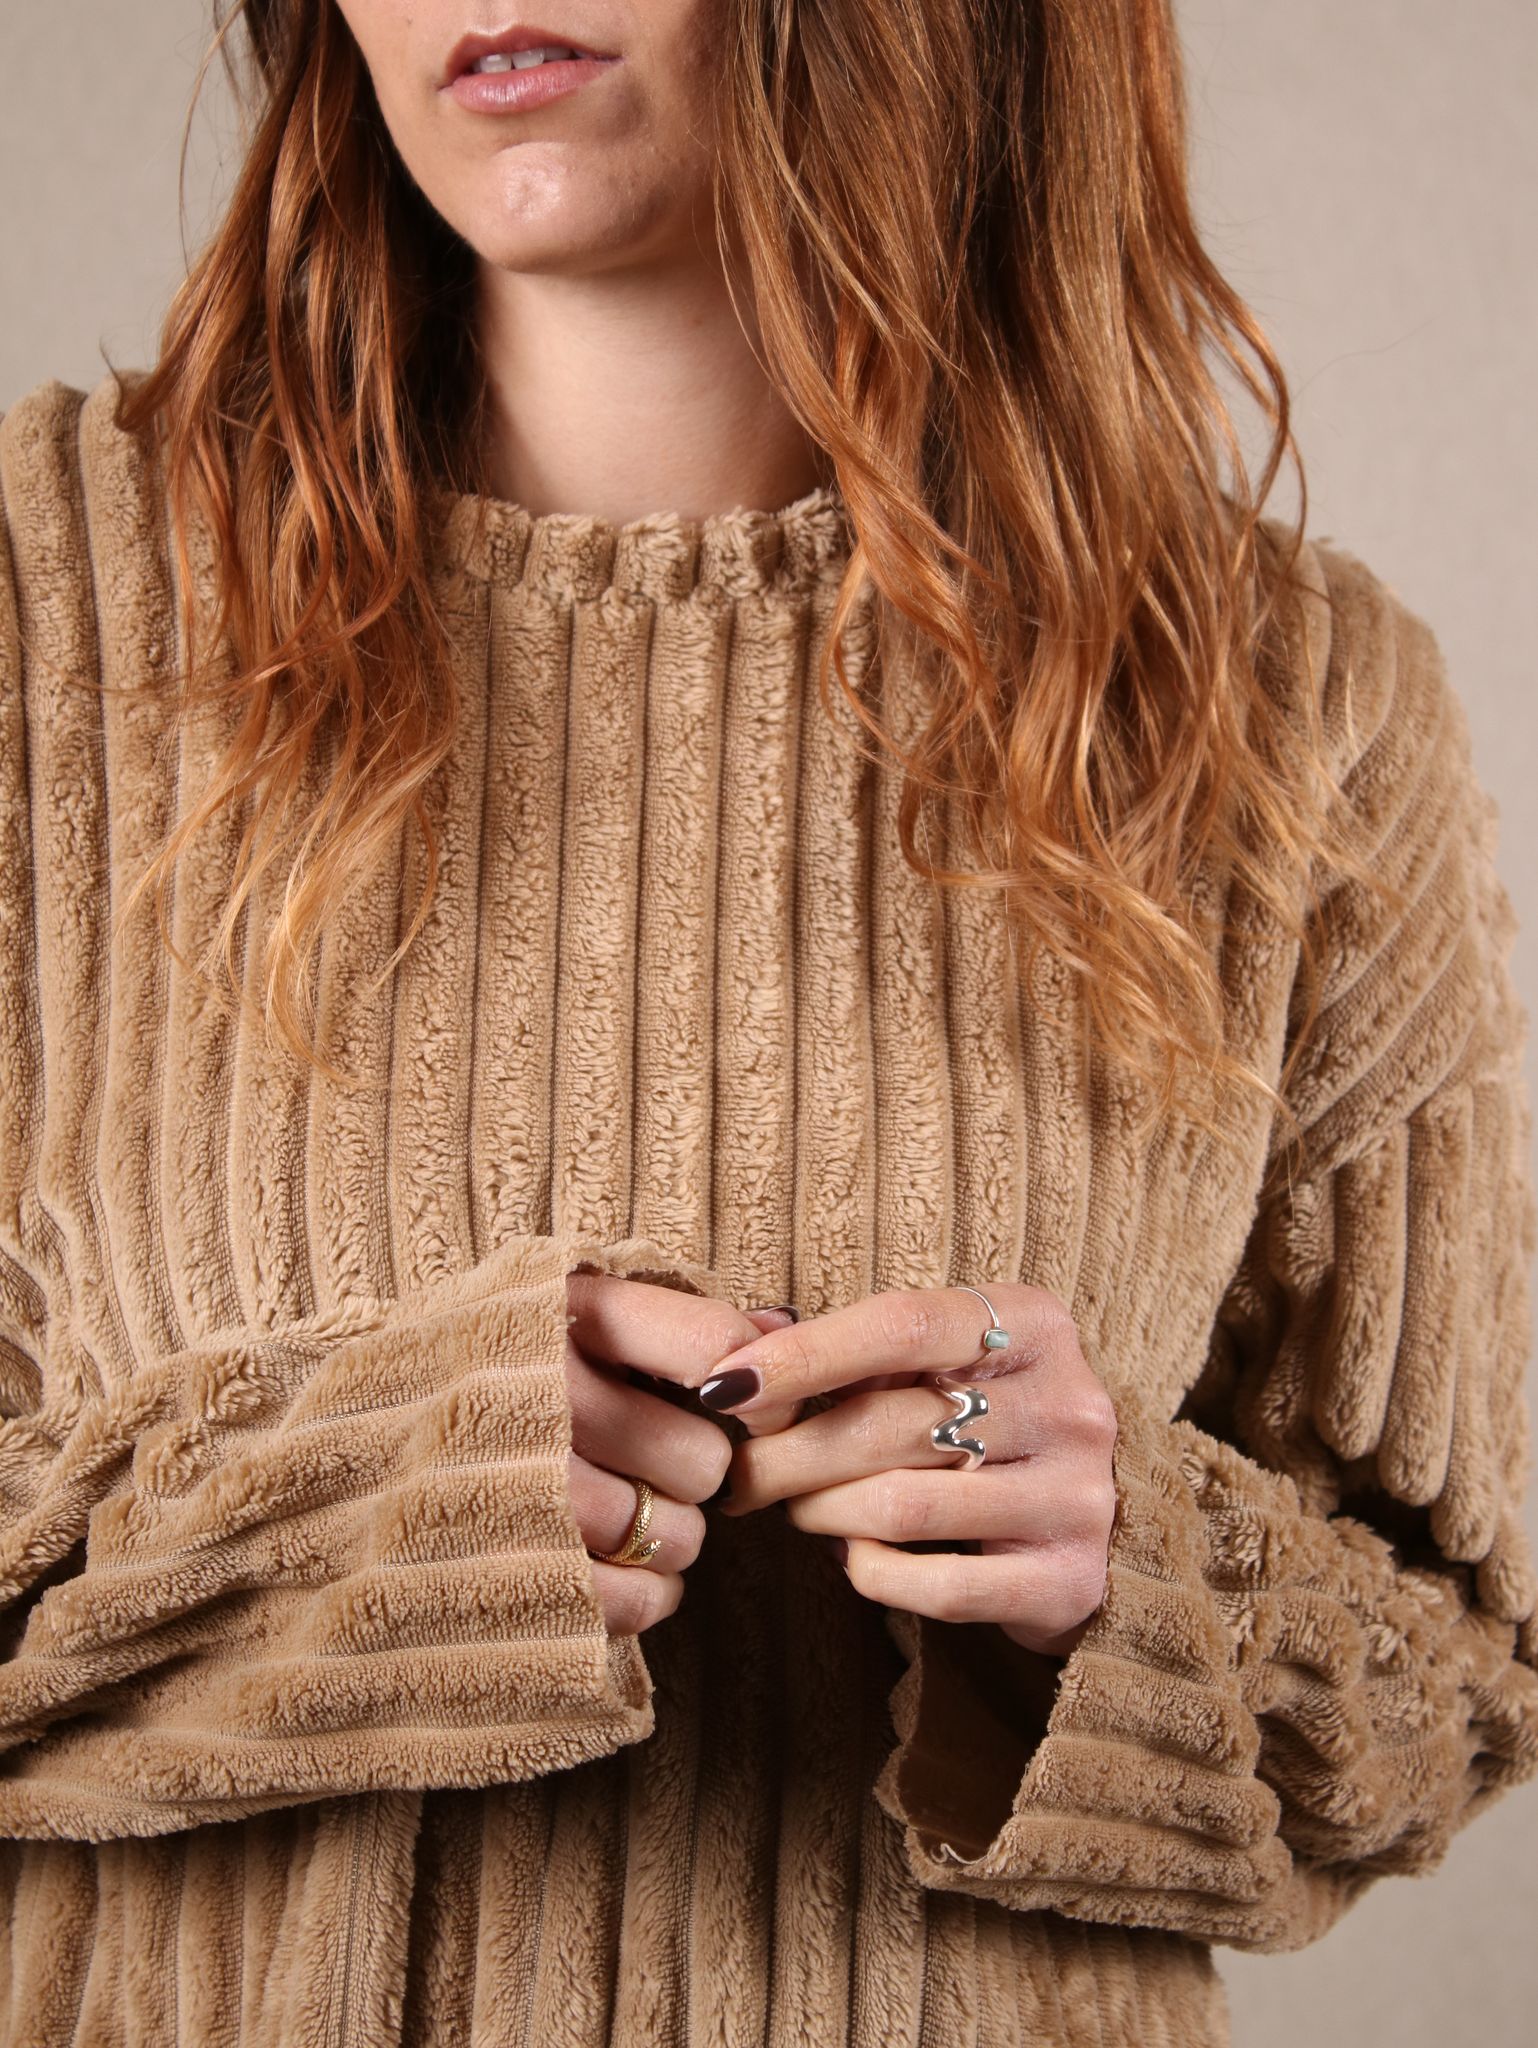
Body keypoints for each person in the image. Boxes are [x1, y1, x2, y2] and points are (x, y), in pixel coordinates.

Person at [0, 1, 1534, 2042]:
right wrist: (360, 1515)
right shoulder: (43, 610)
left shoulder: (1283, 700)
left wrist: (1131, 1583)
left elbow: (1455, 1687)